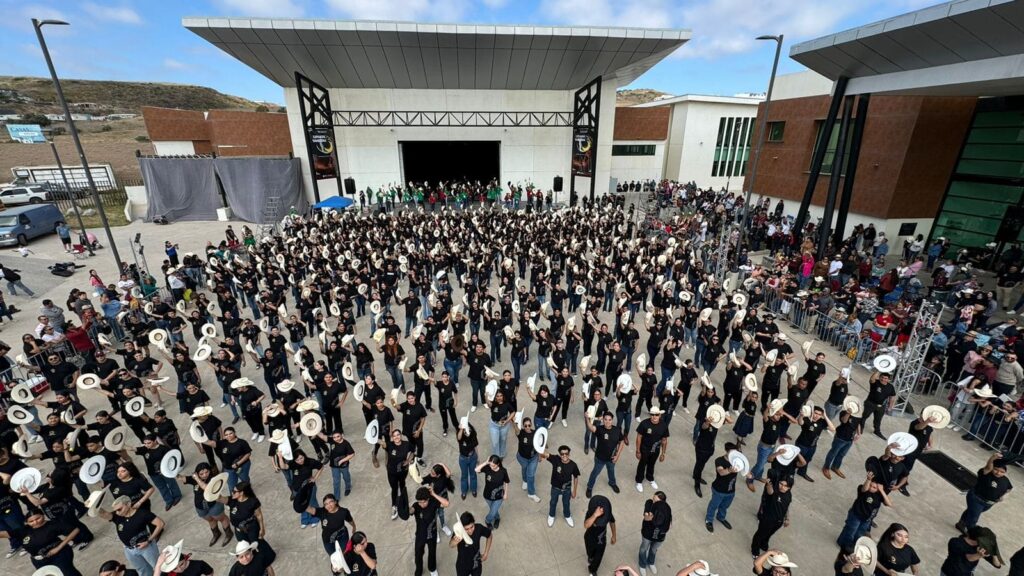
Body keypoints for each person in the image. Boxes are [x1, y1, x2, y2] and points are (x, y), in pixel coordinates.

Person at [96, 495, 166, 574]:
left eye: (119, 509)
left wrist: (149, 541)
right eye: (115, 510)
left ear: (128, 504)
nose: (117, 512)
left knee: (158, 566)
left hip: (146, 547)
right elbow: (103, 513)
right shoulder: (117, 516)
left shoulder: (142, 514)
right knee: (142, 570)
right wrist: (93, 506)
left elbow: (160, 524)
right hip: (129, 550)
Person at [956, 452, 1013, 533]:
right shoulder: (986, 473)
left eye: (1002, 472)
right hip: (976, 499)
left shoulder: (1005, 480)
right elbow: (988, 466)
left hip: (989, 504)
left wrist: (1004, 496)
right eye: (996, 469)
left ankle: (961, 523)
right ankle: (971, 534)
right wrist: (993, 457)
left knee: (971, 512)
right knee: (973, 518)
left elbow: (1009, 489)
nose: (998, 473)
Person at [837, 471, 892, 551]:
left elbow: (889, 504)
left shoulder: (879, 496)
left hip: (867, 519)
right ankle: (844, 544)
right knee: (851, 530)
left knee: (859, 533)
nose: (871, 488)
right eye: (870, 485)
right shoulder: (863, 490)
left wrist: (882, 490)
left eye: (874, 487)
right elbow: (864, 489)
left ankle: (853, 544)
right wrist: (868, 480)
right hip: (856, 515)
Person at [750, 474, 793, 557]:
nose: (782, 487)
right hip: (767, 519)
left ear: (789, 487)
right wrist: (768, 484)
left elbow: (786, 507)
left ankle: (764, 544)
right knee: (760, 534)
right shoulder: (774, 491)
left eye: (785, 486)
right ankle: (755, 551)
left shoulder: (789, 494)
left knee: (769, 534)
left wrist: (787, 518)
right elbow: (770, 491)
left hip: (778, 522)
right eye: (781, 484)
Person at [585, 410, 624, 497]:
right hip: (600, 458)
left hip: (612, 458)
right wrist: (587, 418)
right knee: (595, 473)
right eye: (605, 419)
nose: (607, 421)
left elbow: (621, 442)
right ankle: (589, 487)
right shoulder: (600, 429)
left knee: (611, 471)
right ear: (603, 420)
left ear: (612, 420)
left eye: (609, 419)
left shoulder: (617, 430)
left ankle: (612, 483)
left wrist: (617, 456)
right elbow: (591, 427)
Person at [411, 486, 449, 576]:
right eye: (419, 502)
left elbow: (446, 503)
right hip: (420, 535)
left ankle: (432, 568)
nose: (421, 504)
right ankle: (418, 570)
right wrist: (406, 509)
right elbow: (410, 511)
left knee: (432, 553)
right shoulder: (416, 506)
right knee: (418, 554)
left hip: (432, 534)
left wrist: (434, 494)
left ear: (428, 499)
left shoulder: (433, 503)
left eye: (423, 502)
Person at [543, 444, 580, 527]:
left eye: (566, 453)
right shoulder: (556, 459)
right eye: (562, 454)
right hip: (555, 488)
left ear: (569, 454)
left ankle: (567, 516)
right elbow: (544, 453)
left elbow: (576, 477)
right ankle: (551, 515)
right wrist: (539, 445)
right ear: (560, 454)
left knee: (566, 503)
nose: (564, 456)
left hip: (567, 489)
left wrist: (574, 491)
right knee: (553, 502)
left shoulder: (573, 465)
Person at [634, 407, 669, 493]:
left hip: (656, 449)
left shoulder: (664, 425)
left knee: (652, 464)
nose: (654, 417)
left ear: (659, 415)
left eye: (656, 415)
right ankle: (639, 481)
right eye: (652, 414)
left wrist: (663, 453)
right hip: (644, 448)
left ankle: (650, 478)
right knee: (642, 464)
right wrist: (638, 451)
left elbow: (664, 440)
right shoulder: (644, 424)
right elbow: (639, 437)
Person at [637, 491, 671, 576]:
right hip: (647, 532)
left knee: (653, 549)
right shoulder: (649, 503)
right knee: (644, 548)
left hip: (659, 535)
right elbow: (646, 517)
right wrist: (653, 518)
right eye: (653, 499)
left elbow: (668, 524)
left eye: (656, 501)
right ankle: (642, 564)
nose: (653, 502)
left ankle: (651, 562)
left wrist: (656, 518)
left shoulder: (666, 509)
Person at [583, 494, 616, 576]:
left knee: (598, 558)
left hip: (601, 540)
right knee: (590, 554)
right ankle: (590, 557)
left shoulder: (607, 514)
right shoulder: (590, 513)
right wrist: (595, 515)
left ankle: (592, 570)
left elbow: (612, 522)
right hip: (589, 538)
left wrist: (614, 535)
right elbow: (586, 525)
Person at [451, 511, 493, 576]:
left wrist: (486, 553)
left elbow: (489, 536)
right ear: (462, 528)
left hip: (476, 563)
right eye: (466, 529)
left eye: (472, 527)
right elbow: (451, 545)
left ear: (474, 522)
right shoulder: (458, 533)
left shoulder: (479, 528)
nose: (470, 530)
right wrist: (454, 541)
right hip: (462, 565)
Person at [476, 455, 509, 529]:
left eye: (493, 466)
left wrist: (506, 493)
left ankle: (487, 521)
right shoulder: (488, 468)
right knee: (494, 510)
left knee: (493, 511)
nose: (491, 467)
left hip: (499, 496)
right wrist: (486, 462)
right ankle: (497, 518)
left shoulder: (503, 471)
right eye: (490, 465)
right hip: (487, 495)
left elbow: (506, 482)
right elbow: (476, 470)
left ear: (498, 464)